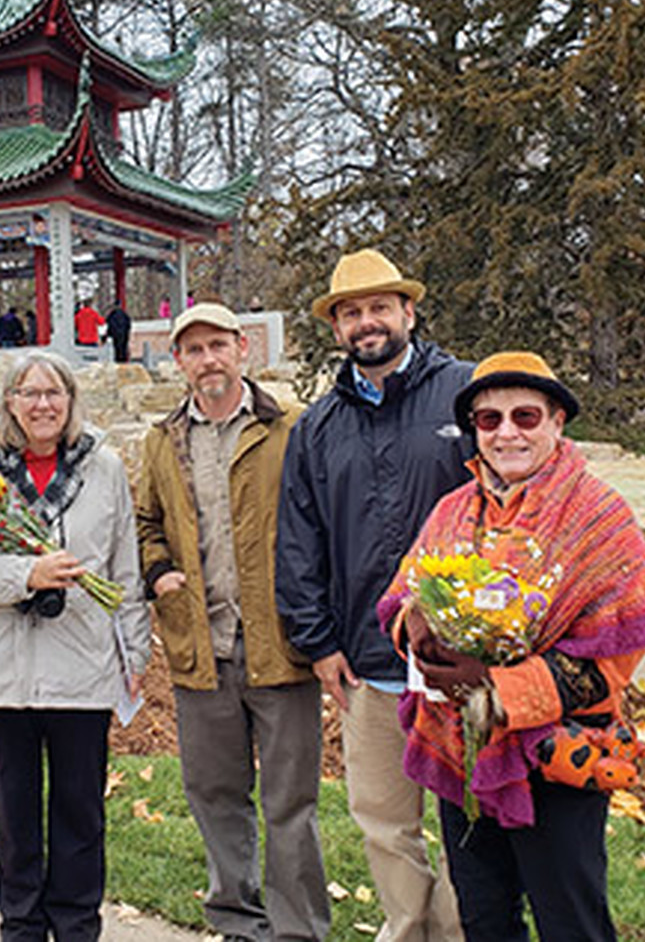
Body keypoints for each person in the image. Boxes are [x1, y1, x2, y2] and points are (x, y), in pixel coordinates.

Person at [378, 353, 645, 942]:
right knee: (484, 917)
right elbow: (401, 598)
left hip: (554, 762)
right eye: (488, 420)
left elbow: (611, 665)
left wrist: (492, 685)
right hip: (463, 750)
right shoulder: (453, 509)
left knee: (571, 922)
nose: (507, 431)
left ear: (557, 422)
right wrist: (415, 633)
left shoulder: (599, 514)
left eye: (525, 415)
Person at [275, 249, 475, 942]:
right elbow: (298, 544)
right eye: (351, 311)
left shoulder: (468, 395)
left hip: (465, 660)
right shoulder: (317, 427)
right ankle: (408, 928)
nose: (367, 321)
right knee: (385, 821)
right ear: (336, 327)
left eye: (380, 307)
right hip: (370, 660)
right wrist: (319, 642)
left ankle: (457, 932)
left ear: (409, 311)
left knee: (467, 819)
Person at [0, 352, 149, 942]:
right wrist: (25, 576)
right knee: (14, 821)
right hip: (4, 675)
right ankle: (21, 929)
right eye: (29, 393)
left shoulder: (103, 469)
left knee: (81, 817)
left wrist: (135, 655)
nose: (43, 404)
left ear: (72, 401)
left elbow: (124, 570)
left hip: (81, 669)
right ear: (9, 400)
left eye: (55, 393)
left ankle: (78, 930)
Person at [137, 303, 329, 942]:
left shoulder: (290, 430)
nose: (208, 360)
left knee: (290, 803)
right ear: (178, 361)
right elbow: (146, 524)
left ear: (243, 349)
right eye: (193, 350)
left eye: (218, 345)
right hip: (202, 646)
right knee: (214, 794)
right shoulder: (163, 442)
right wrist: (159, 571)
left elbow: (321, 524)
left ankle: (297, 928)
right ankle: (237, 920)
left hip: (279, 645)